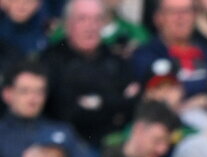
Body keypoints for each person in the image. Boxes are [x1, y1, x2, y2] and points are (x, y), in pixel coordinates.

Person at [39, 0, 136, 148]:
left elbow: (130, 106)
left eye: (97, 19)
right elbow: (63, 112)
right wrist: (109, 104)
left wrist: (93, 104)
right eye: (82, 19)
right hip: (64, 145)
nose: (90, 26)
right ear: (67, 24)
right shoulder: (50, 60)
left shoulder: (115, 60)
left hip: (112, 144)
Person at [0, 62, 96, 157]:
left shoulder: (61, 131)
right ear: (7, 94)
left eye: (39, 92)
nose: (34, 99)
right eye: (25, 91)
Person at [129, 0, 207, 100]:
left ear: (195, 16)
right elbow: (160, 90)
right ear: (158, 18)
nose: (180, 17)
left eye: (186, 11)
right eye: (172, 11)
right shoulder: (145, 55)